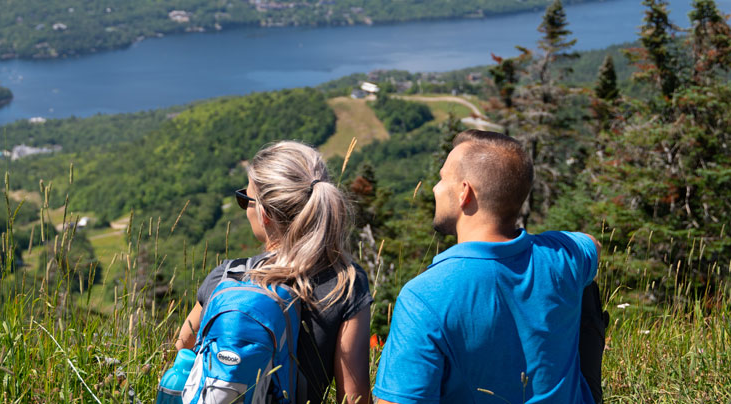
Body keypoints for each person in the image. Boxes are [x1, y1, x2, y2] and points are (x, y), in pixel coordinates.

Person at [373, 130, 605, 404]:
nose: (435, 188)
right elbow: (593, 244)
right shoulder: (564, 258)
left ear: (464, 193)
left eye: (442, 178)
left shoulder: (424, 297)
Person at [175, 141, 373, 404]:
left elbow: (183, 349)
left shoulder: (226, 278)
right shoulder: (345, 283)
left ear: (265, 213)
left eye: (245, 199)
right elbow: (353, 397)